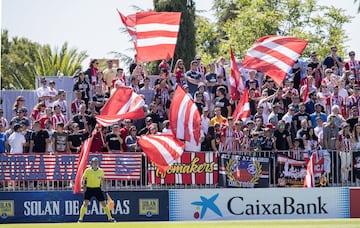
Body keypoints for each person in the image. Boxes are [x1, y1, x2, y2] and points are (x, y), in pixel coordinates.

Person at [78, 157, 116, 223]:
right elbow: (83, 179)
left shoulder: (101, 171)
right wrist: (82, 186)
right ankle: (80, 219)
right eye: (94, 162)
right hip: (89, 188)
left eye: (96, 162)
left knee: (103, 204)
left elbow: (102, 180)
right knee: (85, 203)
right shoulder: (88, 170)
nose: (95, 163)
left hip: (97, 189)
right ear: (91, 163)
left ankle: (110, 218)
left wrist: (104, 187)